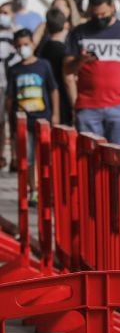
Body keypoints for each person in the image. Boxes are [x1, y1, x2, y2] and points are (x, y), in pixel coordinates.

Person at [62, 0, 120, 146]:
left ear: (112, 7)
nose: (100, 18)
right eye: (96, 15)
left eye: (104, 14)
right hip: (88, 107)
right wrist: (81, 60)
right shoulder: (79, 33)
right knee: (90, 158)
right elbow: (67, 70)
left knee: (119, 157)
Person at [5, 28, 60, 203]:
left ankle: (48, 189)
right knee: (28, 158)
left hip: (43, 118)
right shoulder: (14, 69)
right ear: (15, 47)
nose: (23, 48)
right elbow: (10, 98)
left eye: (26, 44)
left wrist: (55, 114)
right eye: (19, 46)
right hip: (23, 121)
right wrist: (11, 122)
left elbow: (53, 90)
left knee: (45, 156)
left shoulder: (43, 65)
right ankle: (33, 190)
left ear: (33, 44)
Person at [37, 8, 74, 126]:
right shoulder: (65, 52)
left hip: (44, 98)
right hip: (63, 100)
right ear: (65, 25)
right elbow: (68, 79)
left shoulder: (41, 50)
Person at [0, 2, 17, 169]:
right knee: (1, 122)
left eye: (5, 12)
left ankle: (14, 157)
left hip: (12, 83)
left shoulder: (17, 33)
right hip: (0, 84)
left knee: (13, 122)